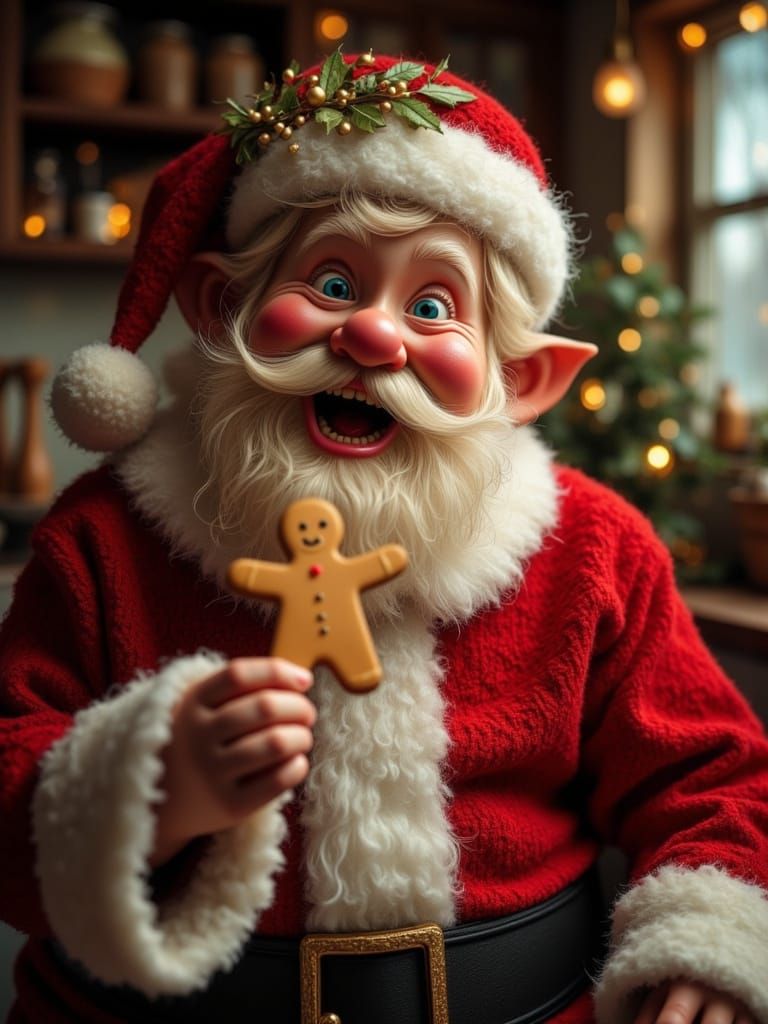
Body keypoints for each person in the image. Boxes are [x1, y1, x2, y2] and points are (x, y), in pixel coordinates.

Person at [1, 51, 767, 1024]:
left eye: (435, 307)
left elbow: (713, 780)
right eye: (331, 279)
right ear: (220, 305)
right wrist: (146, 787)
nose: (373, 337)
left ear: (520, 377)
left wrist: (708, 935)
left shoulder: (594, 549)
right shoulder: (107, 537)